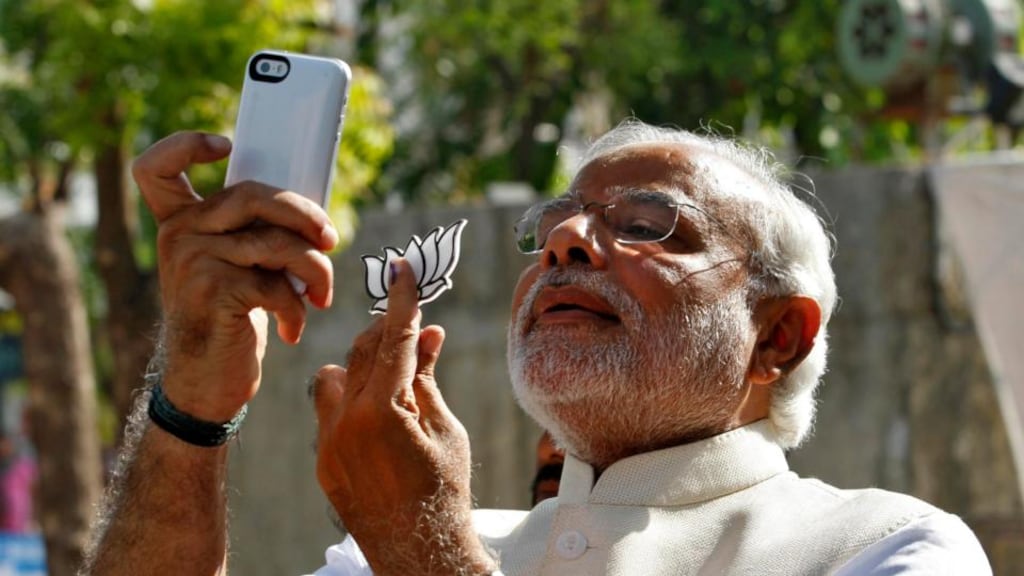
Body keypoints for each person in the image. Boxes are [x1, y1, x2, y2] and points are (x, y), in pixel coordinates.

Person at [80, 122, 992, 576]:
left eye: (649, 225)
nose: (566, 245)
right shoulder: (391, 555)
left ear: (778, 334)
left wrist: (426, 553)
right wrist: (192, 398)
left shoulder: (887, 547)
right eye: (550, 231)